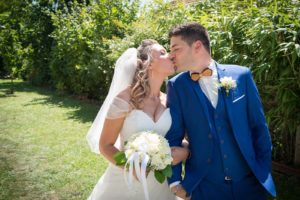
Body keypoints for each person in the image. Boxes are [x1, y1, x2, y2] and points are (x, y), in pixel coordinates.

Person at [165, 22, 277, 200]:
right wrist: (175, 182)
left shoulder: (241, 75)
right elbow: (174, 136)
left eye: (175, 49)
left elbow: (259, 128)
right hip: (204, 187)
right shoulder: (176, 86)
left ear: (197, 46)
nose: (171, 56)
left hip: (250, 185)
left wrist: (263, 171)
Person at [86, 39, 189, 200]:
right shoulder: (125, 99)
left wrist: (185, 152)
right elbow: (105, 145)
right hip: (125, 183)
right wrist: (130, 166)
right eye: (162, 53)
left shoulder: (170, 100)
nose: (170, 56)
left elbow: (179, 140)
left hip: (160, 187)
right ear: (148, 63)